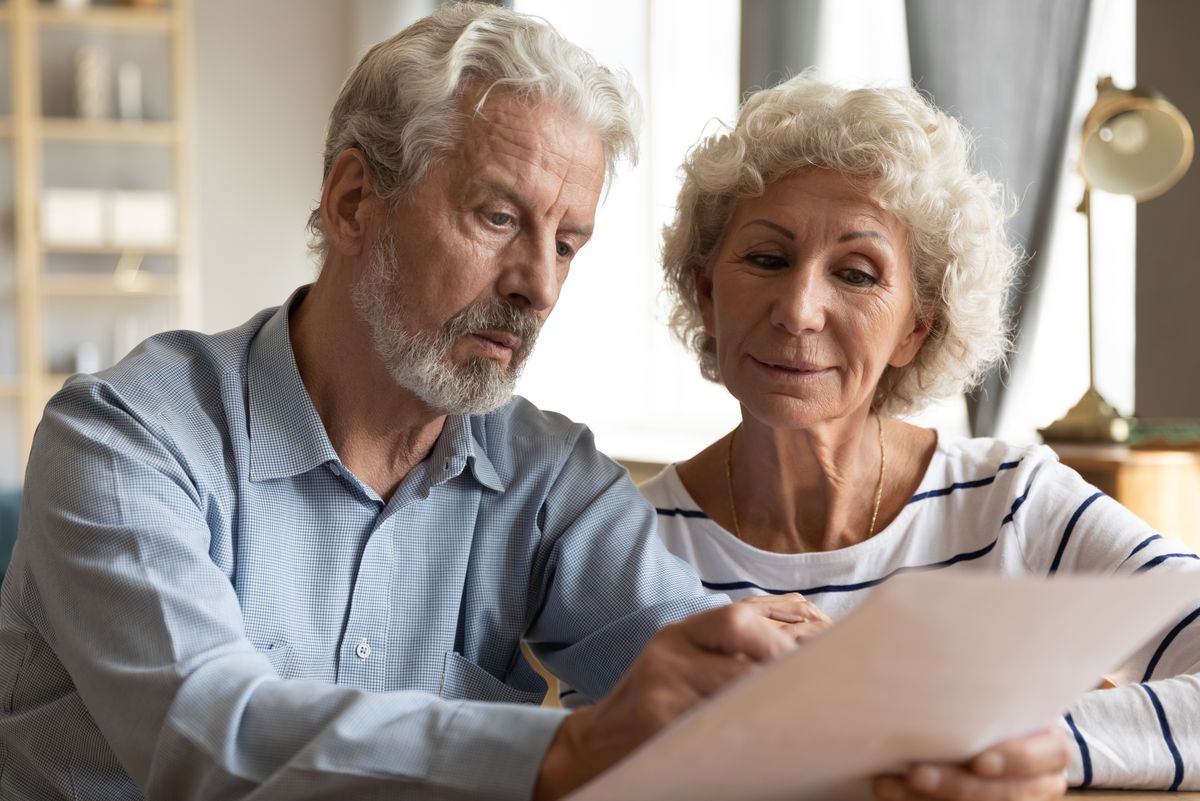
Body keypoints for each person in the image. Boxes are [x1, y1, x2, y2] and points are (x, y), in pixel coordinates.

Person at [0, 6, 1069, 801]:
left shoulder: (548, 477)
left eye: (568, 242)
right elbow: (204, 733)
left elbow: (718, 678)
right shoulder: (127, 436)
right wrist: (570, 750)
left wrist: (936, 747)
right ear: (354, 201)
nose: (539, 286)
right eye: (499, 218)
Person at [651, 73, 1200, 794]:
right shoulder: (629, 536)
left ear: (916, 327)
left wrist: (1013, 741)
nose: (799, 309)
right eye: (766, 259)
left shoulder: (1013, 502)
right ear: (707, 293)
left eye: (855, 272)